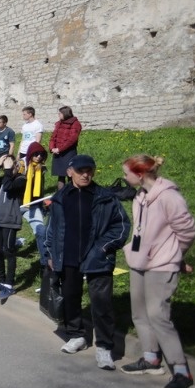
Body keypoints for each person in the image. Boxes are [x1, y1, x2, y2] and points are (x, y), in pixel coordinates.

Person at [120, 155, 195, 388]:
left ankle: (182, 373)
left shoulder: (169, 197)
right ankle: (151, 359)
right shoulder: (141, 196)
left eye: (127, 174)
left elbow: (187, 231)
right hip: (139, 262)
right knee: (140, 314)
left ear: (140, 174)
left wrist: (175, 255)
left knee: (158, 316)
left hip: (161, 265)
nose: (124, 178)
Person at [45, 154, 130, 368]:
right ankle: (77, 335)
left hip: (98, 257)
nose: (86, 174)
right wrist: (50, 255)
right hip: (68, 256)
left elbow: (120, 226)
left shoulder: (105, 197)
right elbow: (51, 229)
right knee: (71, 297)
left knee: (101, 303)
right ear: (70, 171)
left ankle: (104, 348)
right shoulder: (60, 197)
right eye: (81, 170)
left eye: (89, 170)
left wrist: (103, 248)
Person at [0, 155, 26, 302]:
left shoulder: (21, 179)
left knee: (9, 251)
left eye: (12, 165)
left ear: (16, 166)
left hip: (9, 221)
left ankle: (9, 284)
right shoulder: (3, 178)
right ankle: (1, 281)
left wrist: (8, 170)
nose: (8, 168)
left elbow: (9, 187)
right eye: (7, 166)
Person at [21, 143, 50, 267]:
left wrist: (42, 203)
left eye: (41, 155)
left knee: (41, 231)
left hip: (32, 206)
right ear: (30, 154)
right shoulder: (21, 166)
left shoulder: (40, 169)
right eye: (36, 154)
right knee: (4, 236)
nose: (38, 157)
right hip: (15, 205)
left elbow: (39, 190)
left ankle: (45, 264)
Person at [48, 105, 81, 189]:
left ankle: (71, 194)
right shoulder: (59, 123)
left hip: (68, 153)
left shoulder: (75, 124)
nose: (58, 115)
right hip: (58, 153)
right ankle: (61, 195)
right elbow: (53, 137)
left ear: (65, 113)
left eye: (60, 113)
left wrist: (60, 149)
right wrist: (52, 148)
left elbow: (72, 139)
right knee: (61, 175)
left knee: (70, 174)